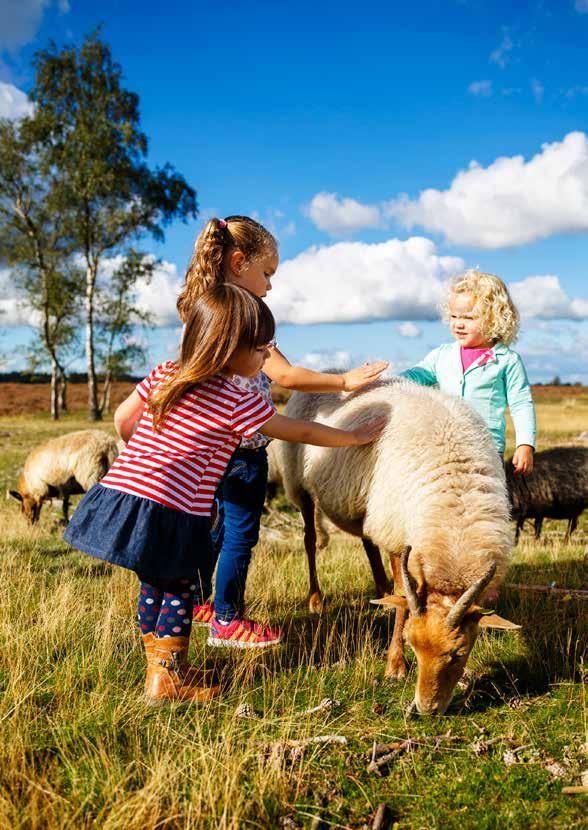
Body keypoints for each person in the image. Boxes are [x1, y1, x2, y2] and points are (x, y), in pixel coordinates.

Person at [63, 285, 386, 705]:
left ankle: (160, 666)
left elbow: (124, 419)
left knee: (154, 585)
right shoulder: (236, 399)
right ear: (230, 347)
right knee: (179, 588)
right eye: (260, 350)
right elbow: (301, 431)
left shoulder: (166, 372)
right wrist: (354, 435)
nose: (264, 360)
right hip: (175, 508)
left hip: (126, 494)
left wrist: (149, 459)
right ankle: (167, 681)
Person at [178, 216, 388, 648]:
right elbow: (288, 376)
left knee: (213, 528)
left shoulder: (205, 313)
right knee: (240, 533)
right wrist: (344, 382)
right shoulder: (245, 322)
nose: (270, 286)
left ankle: (199, 600)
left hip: (209, 450)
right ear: (239, 263)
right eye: (267, 273)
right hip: (244, 451)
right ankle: (227, 618)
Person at [401, 269, 536, 474]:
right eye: (454, 316)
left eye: (469, 317)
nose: (458, 324)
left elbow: (521, 404)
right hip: (445, 444)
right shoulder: (442, 355)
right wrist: (386, 380)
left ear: (495, 319)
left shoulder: (507, 360)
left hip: (486, 448)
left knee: (482, 498)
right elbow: (416, 375)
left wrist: (525, 444)